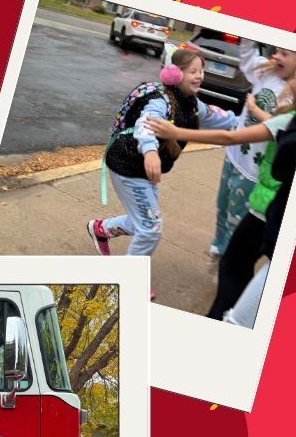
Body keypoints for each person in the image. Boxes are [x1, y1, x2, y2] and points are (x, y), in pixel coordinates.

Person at [148, 57, 296, 321]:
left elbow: (230, 137)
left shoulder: (294, 124)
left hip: (266, 212)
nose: (290, 78)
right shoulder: (295, 120)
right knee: (239, 266)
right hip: (267, 209)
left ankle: (224, 319)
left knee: (233, 266)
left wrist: (176, 131)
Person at [87, 49, 238, 273]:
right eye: (192, 71)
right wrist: (150, 152)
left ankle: (101, 229)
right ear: (175, 74)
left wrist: (250, 124)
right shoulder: (160, 101)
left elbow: (223, 118)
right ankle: (128, 281)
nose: (199, 76)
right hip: (127, 166)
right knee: (150, 229)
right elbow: (146, 123)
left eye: (201, 71)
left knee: (144, 220)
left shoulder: (194, 105)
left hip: (145, 172)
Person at [204, 42, 296, 260]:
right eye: (277, 52)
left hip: (253, 171)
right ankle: (217, 251)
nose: (277, 56)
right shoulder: (266, 72)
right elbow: (247, 54)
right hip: (234, 157)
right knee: (222, 206)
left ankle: (229, 260)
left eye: (285, 52)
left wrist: (255, 109)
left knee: (236, 218)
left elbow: (282, 126)